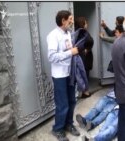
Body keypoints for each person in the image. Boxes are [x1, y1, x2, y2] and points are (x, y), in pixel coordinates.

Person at [47, 10, 80, 141]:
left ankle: (68, 124)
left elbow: (69, 51)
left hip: (69, 73)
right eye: (70, 19)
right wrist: (70, 53)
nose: (72, 21)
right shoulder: (53, 35)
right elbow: (52, 57)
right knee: (63, 104)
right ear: (63, 20)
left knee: (72, 100)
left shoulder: (68, 34)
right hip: (59, 75)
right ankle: (58, 129)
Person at [72, 17, 94, 98]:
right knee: (84, 74)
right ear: (83, 24)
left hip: (82, 56)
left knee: (82, 73)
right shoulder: (83, 33)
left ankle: (84, 91)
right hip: (83, 57)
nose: (87, 24)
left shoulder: (77, 33)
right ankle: (85, 92)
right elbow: (89, 41)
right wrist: (86, 49)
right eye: (86, 23)